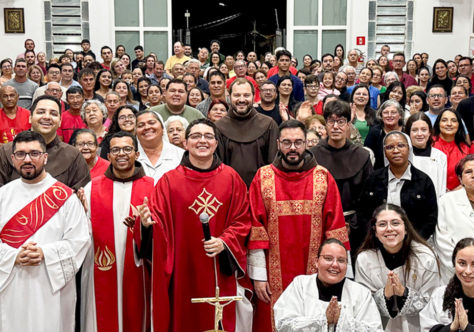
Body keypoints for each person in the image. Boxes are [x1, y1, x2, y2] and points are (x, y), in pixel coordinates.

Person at [137, 118, 253, 332]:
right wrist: (146, 225)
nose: (202, 141)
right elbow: (157, 225)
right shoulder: (169, 181)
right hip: (183, 271)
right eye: (196, 136)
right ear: (185, 143)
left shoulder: (232, 178)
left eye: (208, 136)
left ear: (216, 144)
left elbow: (243, 220)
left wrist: (225, 242)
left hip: (218, 267)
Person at [248, 119, 349, 332]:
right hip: (271, 274)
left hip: (316, 270)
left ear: (306, 144)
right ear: (278, 144)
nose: (292, 148)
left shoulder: (323, 177)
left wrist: (336, 273)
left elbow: (336, 229)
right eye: (286, 142)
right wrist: (258, 277)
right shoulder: (263, 177)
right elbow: (256, 229)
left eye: (298, 142)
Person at [0, 131, 90, 332]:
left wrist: (44, 253)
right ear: (13, 159)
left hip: (51, 288)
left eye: (34, 153)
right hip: (9, 286)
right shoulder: (2, 196)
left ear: (45, 157)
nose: (28, 159)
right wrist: (13, 256)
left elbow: (80, 241)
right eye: (21, 154)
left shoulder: (66, 198)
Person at [79, 131, 153, 332]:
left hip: (141, 270)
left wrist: (145, 228)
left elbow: (164, 234)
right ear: (108, 156)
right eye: (115, 150)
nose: (122, 154)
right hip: (100, 272)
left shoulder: (153, 187)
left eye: (127, 149)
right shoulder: (91, 188)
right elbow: (80, 234)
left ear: (137, 155)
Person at [355, 204, 440, 331]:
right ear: (375, 231)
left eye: (395, 223)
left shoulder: (426, 258)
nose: (389, 229)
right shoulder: (365, 260)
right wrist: (385, 295)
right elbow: (363, 305)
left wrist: (404, 293)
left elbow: (432, 303)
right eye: (382, 224)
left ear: (406, 228)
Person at [273, 239, 383, 332]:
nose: (335, 265)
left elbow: (374, 329)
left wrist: (341, 321)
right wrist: (324, 320)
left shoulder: (361, 293)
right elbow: (283, 324)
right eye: (328, 259)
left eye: (341, 260)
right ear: (317, 262)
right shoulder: (300, 285)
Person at [311, 100, 373, 256]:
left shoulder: (362, 155)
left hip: (354, 227)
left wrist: (352, 225)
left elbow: (368, 197)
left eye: (341, 121)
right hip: (319, 224)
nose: (336, 126)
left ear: (348, 124)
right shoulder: (313, 155)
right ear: (325, 124)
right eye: (331, 121)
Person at [358, 131, 438, 242]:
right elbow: (363, 214)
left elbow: (430, 218)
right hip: (378, 242)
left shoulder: (423, 181)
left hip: (414, 243)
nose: (396, 151)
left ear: (409, 149)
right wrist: (374, 239)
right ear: (384, 152)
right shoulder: (373, 179)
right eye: (390, 147)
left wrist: (413, 241)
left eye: (401, 146)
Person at [0, 95, 90, 190]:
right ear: (30, 118)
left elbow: (81, 197)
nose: (47, 117)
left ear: (60, 122)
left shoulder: (73, 156)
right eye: (41, 112)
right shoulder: (6, 151)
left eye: (53, 114)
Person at [216, 78, 279, 187]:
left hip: (262, 190)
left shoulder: (269, 124)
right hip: (228, 190)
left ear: (254, 97)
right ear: (229, 97)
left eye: (246, 95)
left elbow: (274, 164)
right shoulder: (218, 127)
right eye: (236, 95)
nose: (241, 99)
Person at [434, 156, 474, 283]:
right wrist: (461, 265)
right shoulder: (446, 201)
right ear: (460, 179)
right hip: (453, 273)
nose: (473, 175)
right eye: (468, 172)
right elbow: (441, 240)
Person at [420, 238, 474, 331]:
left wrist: (467, 327)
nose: (468, 271)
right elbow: (426, 328)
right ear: (454, 263)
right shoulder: (440, 296)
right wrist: (451, 328)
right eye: (462, 263)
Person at [405, 112, 447, 197]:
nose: (419, 134)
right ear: (408, 133)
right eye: (414, 130)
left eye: (424, 130)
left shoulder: (440, 156)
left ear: (430, 132)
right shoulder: (403, 156)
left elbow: (441, 190)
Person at [136, 110, 184, 184]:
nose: (147, 127)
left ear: (162, 128)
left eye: (152, 123)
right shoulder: (130, 157)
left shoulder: (181, 155)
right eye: (140, 125)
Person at [433, 108, 474, 190]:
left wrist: (453, 194)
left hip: (459, 196)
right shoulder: (429, 144)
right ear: (438, 124)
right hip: (431, 194)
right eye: (444, 120)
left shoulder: (467, 149)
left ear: (459, 125)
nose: (449, 124)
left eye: (454, 120)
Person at [364, 100, 404, 169]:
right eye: (385, 112)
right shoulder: (375, 132)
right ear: (381, 116)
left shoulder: (406, 131)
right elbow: (367, 155)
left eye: (393, 112)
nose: (389, 115)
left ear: (400, 115)